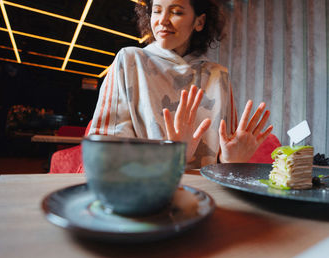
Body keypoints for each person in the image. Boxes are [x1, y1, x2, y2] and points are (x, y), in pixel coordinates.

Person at [89, 0, 273, 168]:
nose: (162, 20)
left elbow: (225, 158)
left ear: (199, 22)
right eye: (157, 11)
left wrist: (231, 160)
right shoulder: (130, 60)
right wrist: (170, 157)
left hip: (207, 195)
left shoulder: (218, 75)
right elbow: (104, 152)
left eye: (176, 12)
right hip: (147, 194)